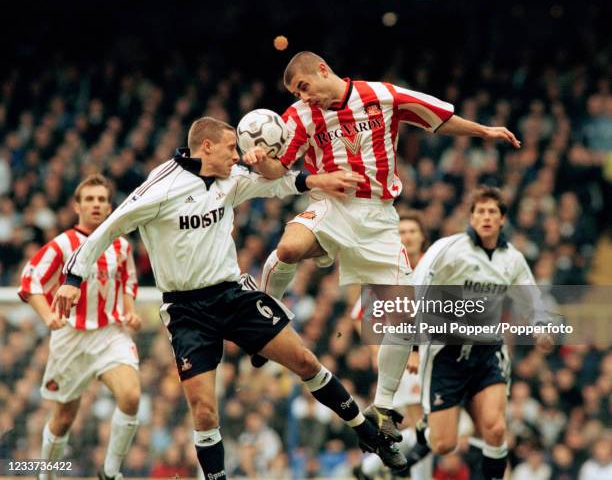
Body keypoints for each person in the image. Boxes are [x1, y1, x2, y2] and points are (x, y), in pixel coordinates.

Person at [51, 116, 408, 479]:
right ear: (206, 147)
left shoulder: (229, 180)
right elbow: (109, 227)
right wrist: (72, 278)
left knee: (304, 360)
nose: (236, 157)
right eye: (230, 149)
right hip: (186, 309)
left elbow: (276, 185)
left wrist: (317, 180)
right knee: (205, 412)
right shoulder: (159, 188)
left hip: (232, 294)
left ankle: (368, 433)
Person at [242, 50, 521, 439]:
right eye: (296, 93)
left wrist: (485, 132)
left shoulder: (380, 96)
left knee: (403, 317)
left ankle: (384, 406)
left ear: (323, 70)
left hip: (379, 220)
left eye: (304, 87)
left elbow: (437, 119)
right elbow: (279, 170)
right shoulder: (299, 116)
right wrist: (259, 159)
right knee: (287, 249)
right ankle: (261, 322)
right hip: (332, 207)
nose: (304, 98)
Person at [400, 186, 549, 480]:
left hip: (487, 352)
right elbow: (416, 293)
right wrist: (415, 348)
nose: (486, 217)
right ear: (471, 217)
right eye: (480, 211)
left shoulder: (513, 259)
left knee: (495, 428)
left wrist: (542, 328)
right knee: (445, 444)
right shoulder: (448, 250)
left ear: (502, 219)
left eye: (493, 211)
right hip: (447, 353)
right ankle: (421, 435)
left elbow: (531, 299)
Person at [18, 174, 142, 480]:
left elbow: (127, 281)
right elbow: (29, 279)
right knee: (63, 418)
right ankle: (46, 475)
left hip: (110, 334)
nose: (96, 204)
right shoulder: (63, 244)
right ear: (77, 206)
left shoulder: (121, 246)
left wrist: (129, 312)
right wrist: (48, 316)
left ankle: (110, 472)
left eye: (101, 199)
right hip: (71, 337)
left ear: (110, 205)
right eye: (89, 199)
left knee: (131, 397)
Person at [352, 212, 433, 480]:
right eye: (402, 231)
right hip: (404, 361)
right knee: (420, 421)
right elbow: (360, 315)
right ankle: (392, 471)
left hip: (433, 358)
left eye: (412, 231)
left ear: (422, 236)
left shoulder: (434, 268)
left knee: (432, 426)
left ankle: (370, 469)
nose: (407, 236)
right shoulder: (388, 269)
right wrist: (377, 353)